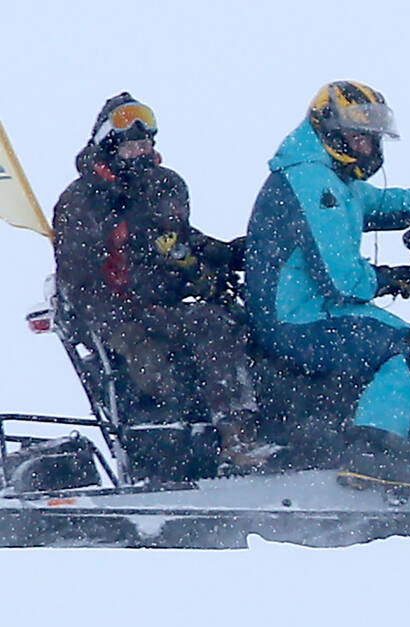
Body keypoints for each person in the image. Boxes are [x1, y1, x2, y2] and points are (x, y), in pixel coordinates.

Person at [243, 81, 410, 484]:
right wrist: (392, 278)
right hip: (297, 319)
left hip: (313, 310)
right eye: (359, 137)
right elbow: (341, 282)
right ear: (329, 129)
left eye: (372, 138)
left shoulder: (328, 178)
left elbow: (374, 202)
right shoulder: (311, 182)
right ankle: (371, 452)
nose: (368, 147)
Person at [51, 93, 277, 470]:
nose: (142, 148)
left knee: (247, 324)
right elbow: (80, 282)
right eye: (132, 141)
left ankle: (284, 433)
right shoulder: (82, 201)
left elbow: (179, 240)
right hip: (121, 312)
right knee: (210, 327)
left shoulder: (165, 185)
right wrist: (127, 328)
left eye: (147, 140)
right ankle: (236, 439)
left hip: (167, 305)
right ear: (109, 143)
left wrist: (238, 253)